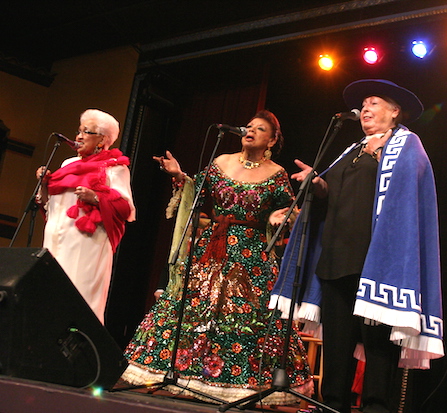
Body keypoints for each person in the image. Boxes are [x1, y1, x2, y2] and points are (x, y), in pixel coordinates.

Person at [272, 79, 444, 413]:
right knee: (337, 347)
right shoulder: (350, 151)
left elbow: (408, 193)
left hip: (377, 266)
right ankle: (333, 406)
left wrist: (380, 160)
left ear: (394, 112)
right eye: (364, 104)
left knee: (379, 350)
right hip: (338, 262)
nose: (365, 108)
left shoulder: (407, 145)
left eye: (374, 102)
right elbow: (330, 193)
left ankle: (376, 409)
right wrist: (317, 182)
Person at [121, 110, 313, 404]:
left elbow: (291, 211)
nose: (250, 131)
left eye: (259, 129)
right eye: (248, 126)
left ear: (272, 140)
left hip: (251, 255)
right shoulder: (221, 161)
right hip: (211, 249)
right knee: (192, 307)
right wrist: (178, 175)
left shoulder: (277, 174)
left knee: (246, 318)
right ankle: (179, 374)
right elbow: (195, 193)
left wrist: (279, 216)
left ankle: (237, 385)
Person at [36, 108, 135, 325]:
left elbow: (126, 209)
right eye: (79, 131)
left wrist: (96, 198)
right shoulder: (67, 165)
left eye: (86, 132)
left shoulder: (115, 169)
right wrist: (44, 186)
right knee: (49, 302)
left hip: (87, 245)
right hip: (55, 240)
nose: (78, 137)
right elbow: (51, 206)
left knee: (77, 303)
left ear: (102, 140)